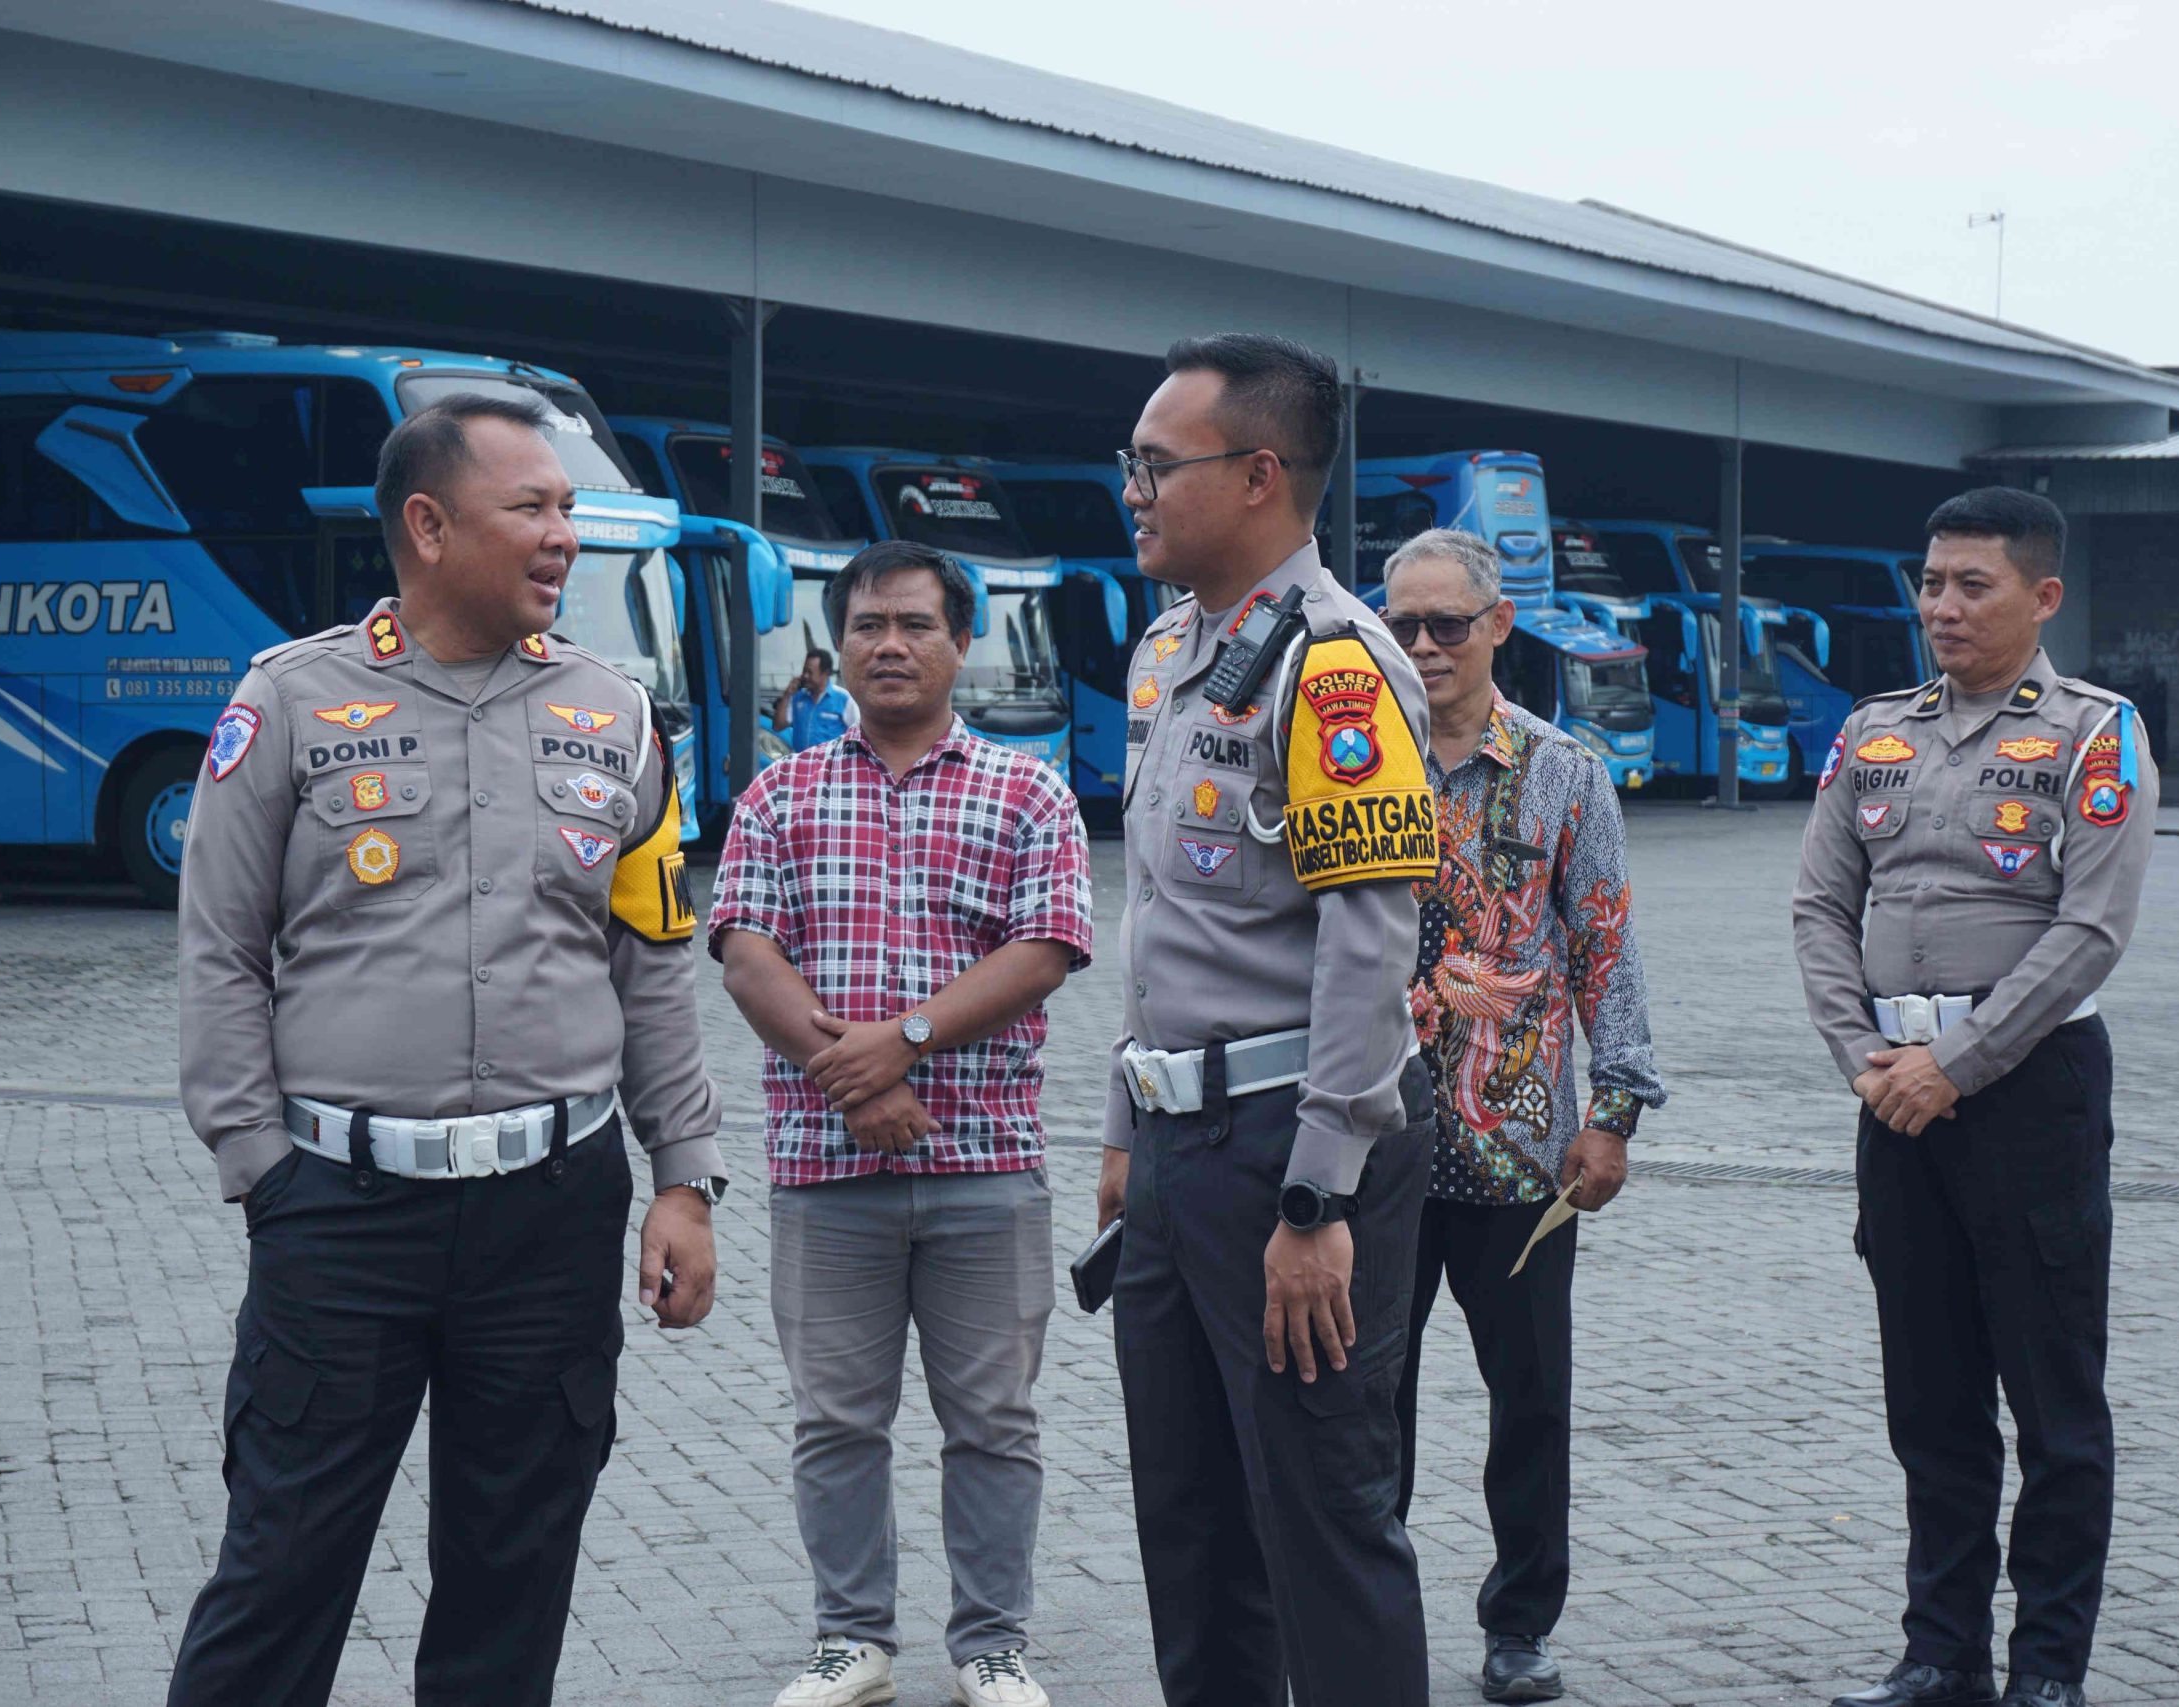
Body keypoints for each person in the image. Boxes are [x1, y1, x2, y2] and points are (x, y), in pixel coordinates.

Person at [168, 392, 726, 1707]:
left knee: (511, 1579)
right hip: (341, 1216)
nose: (561, 536)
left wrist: (686, 1176)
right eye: (529, 507)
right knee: (282, 1570)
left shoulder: (620, 716)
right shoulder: (291, 700)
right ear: (425, 525)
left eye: (568, 510)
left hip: (551, 1211)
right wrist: (265, 1171)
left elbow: (650, 957)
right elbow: (218, 953)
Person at [1100, 333, 1441, 1707]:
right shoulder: (1172, 651)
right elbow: (1159, 925)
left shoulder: (1338, 666)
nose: (1130, 488)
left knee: (1322, 1520)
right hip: (1183, 1154)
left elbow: (1371, 937)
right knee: (1189, 1527)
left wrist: (1317, 1195)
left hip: (1292, 1153)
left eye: (1153, 464)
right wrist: (1129, 1130)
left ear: (1254, 476)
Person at [708, 539, 1093, 1707]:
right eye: (868, 624)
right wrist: (859, 1081)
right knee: (835, 1421)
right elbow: (741, 951)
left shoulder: (1029, 792)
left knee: (993, 1421)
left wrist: (905, 1042)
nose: (890, 644)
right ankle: (852, 1642)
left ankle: (990, 1644)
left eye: (915, 624)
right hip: (826, 1174)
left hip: (988, 1166)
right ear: (840, 642)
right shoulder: (780, 792)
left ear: (959, 643)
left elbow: (1042, 952)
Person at [1793, 488, 2155, 1707]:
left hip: (2028, 1089)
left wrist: (1959, 1063)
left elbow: (2090, 930)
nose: (1941, 606)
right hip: (1890, 1091)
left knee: (2053, 1403)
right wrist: (1867, 1060)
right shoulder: (1875, 730)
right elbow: (1817, 908)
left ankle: (2046, 1670)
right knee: (1931, 1398)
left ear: (2042, 596)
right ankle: (1939, 1656)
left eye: (1972, 586)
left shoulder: (2096, 734)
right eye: (1930, 582)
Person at [1379, 528, 1665, 1703]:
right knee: (1359, 1407)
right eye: (1400, 625)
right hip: (1373, 1149)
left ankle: (1519, 1627)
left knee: (1530, 1403)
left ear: (1498, 627)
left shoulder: (1564, 770)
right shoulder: (1348, 761)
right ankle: (1365, 1616)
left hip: (1521, 1151)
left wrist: (1614, 1114)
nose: (1423, 646)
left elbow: (1607, 948)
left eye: (1447, 623)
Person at [774, 646, 858, 750]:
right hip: (801, 763)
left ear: (825, 673)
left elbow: (860, 734)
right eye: (804, 671)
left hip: (831, 765)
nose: (805, 676)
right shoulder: (797, 697)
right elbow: (778, 726)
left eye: (810, 672)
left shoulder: (844, 699)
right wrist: (787, 695)